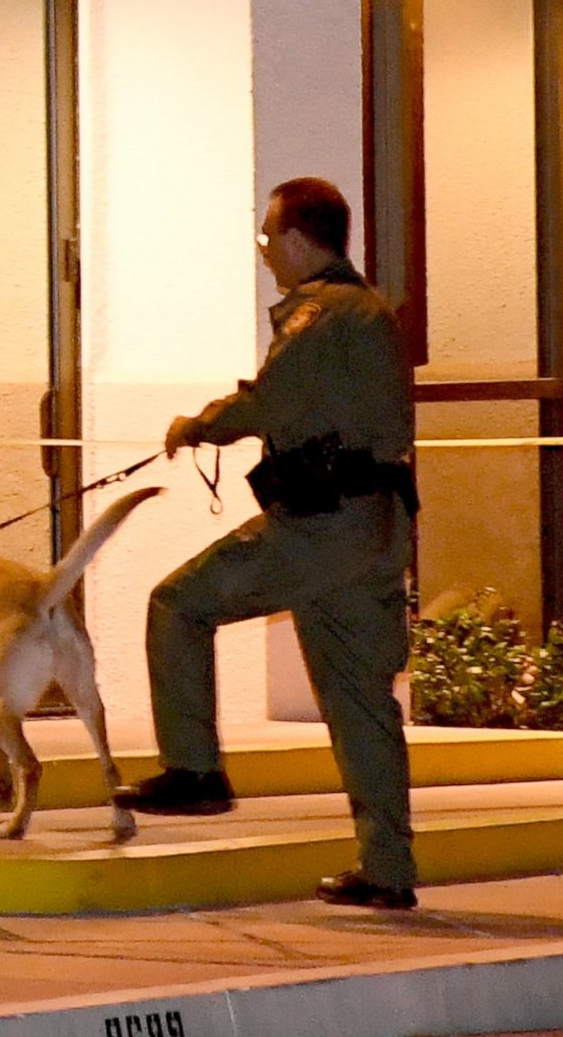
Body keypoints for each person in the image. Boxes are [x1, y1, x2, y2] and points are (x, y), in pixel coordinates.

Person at [119, 176, 423, 909]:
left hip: (320, 527)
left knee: (178, 602)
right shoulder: (369, 312)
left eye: (266, 238)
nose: (263, 254)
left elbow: (271, 398)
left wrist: (200, 424)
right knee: (360, 702)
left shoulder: (321, 314)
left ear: (295, 239)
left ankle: (195, 771)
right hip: (375, 528)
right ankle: (387, 869)